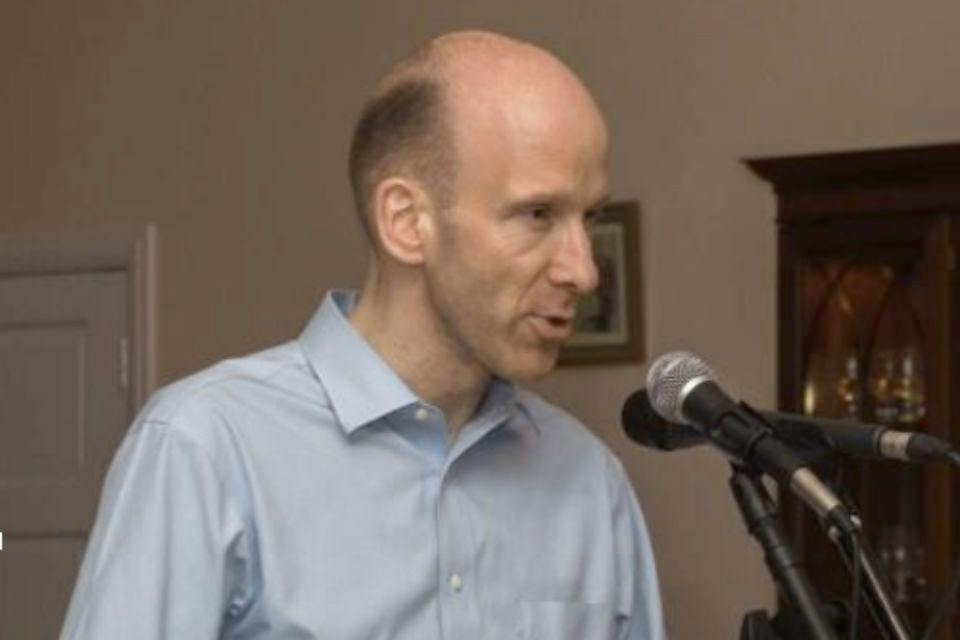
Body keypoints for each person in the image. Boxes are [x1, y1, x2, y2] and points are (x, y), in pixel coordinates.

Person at [60, 30, 665, 639]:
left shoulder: (590, 485)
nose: (583, 270)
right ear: (406, 222)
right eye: (538, 215)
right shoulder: (207, 447)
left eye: (589, 218)